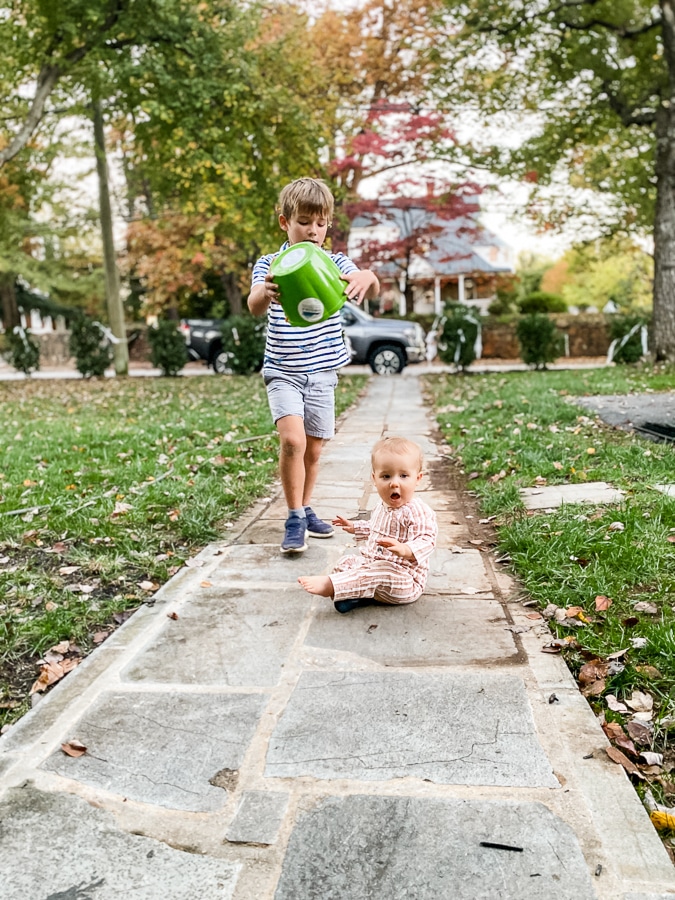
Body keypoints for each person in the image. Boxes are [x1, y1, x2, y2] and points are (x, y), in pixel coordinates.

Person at [248, 177, 379, 554]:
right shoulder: (270, 264)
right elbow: (254, 305)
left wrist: (368, 276)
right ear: (284, 222)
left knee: (314, 451)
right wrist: (265, 290)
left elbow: (369, 286)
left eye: (321, 223)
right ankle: (293, 517)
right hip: (283, 371)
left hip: (322, 373)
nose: (313, 230)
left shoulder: (334, 262)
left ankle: (305, 508)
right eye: (304, 221)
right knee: (293, 441)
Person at [298, 436, 437, 613]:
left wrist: (406, 549)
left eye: (403, 476)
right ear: (374, 479)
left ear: (417, 478)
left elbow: (427, 540)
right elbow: (375, 527)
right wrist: (355, 527)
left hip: (404, 579)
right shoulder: (382, 506)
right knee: (347, 561)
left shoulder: (418, 511)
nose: (394, 483)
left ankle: (331, 585)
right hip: (373, 565)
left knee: (381, 572)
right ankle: (357, 595)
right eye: (386, 476)